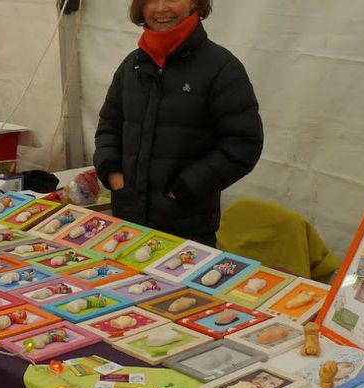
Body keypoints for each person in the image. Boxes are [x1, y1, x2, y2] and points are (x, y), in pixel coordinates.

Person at [93, 0, 263, 247]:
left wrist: (183, 190)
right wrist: (114, 175)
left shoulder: (221, 67)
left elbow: (243, 144)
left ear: (195, 3)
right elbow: (109, 125)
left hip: (188, 233)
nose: (161, 8)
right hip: (127, 225)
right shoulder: (132, 66)